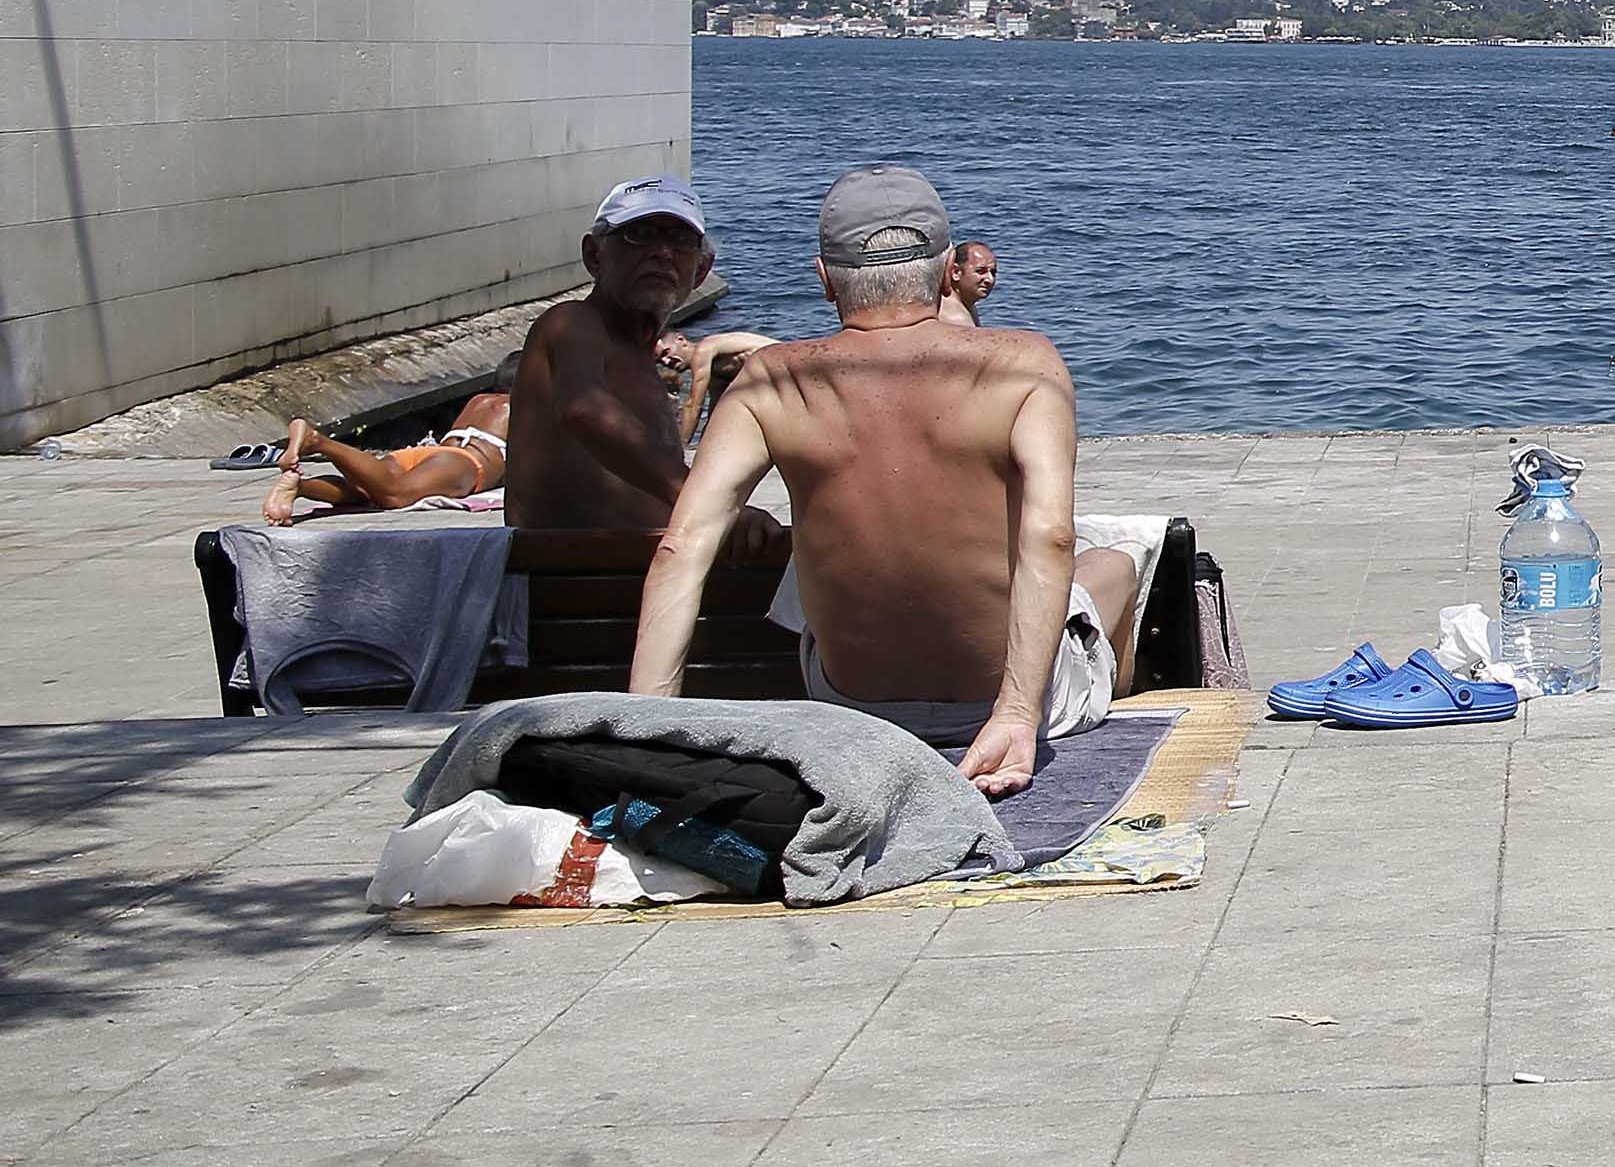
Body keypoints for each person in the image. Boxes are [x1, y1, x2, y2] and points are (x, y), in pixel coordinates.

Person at [632, 165, 1138, 797]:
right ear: (947, 267)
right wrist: (1015, 715)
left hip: (854, 704)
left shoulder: (769, 380)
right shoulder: (1022, 364)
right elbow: (1050, 540)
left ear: (823, 278)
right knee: (1114, 566)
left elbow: (681, 551)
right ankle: (1109, 720)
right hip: (1000, 710)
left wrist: (646, 732)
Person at [508, 176, 765, 538]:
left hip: (633, 572)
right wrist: (708, 504)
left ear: (702, 270)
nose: (662, 253)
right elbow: (585, 410)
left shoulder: (641, 359)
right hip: (574, 579)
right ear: (594, 256)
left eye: (679, 240)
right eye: (639, 235)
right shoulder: (572, 322)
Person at [265, 392, 510, 524]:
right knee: (396, 496)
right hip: (465, 463)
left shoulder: (479, 400)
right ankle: (319, 442)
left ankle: (302, 486)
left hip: (427, 453)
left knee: (368, 491)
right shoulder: (520, 406)